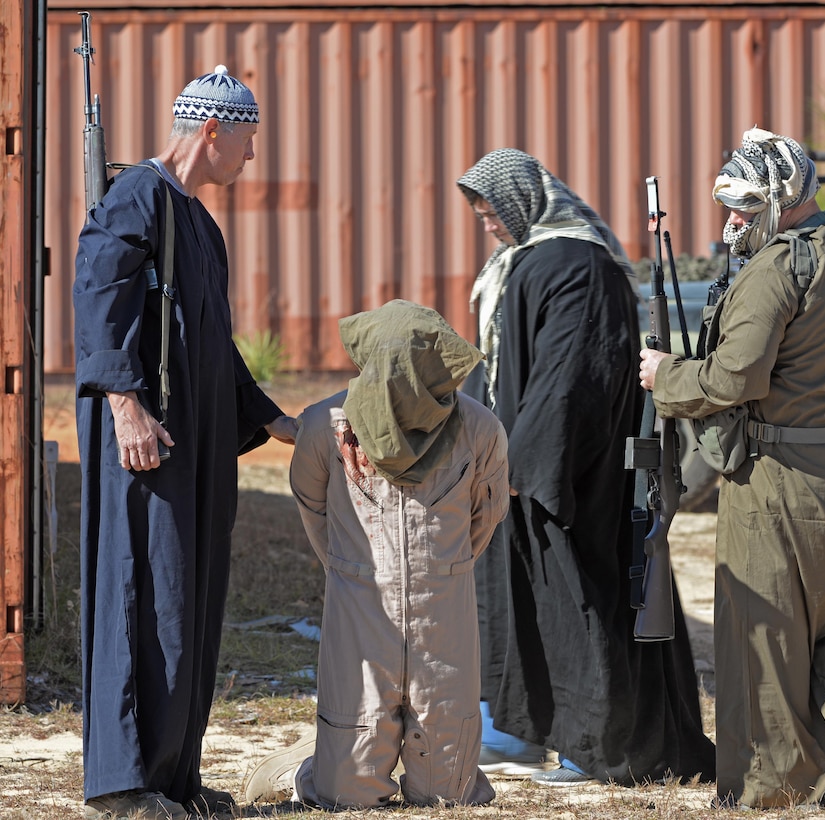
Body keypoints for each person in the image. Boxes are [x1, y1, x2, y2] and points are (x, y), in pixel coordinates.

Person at [638, 127, 825, 808]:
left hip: (774, 481)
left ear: (782, 200)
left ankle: (768, 788)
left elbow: (733, 378)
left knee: (762, 640)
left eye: (742, 204)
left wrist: (663, 374)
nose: (731, 218)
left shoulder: (775, 267)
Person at [74, 66, 298, 820]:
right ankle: (122, 783)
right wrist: (124, 404)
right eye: (249, 139)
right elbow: (98, 297)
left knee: (189, 596)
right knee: (144, 589)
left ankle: (174, 777)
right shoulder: (135, 199)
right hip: (147, 441)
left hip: (194, 446)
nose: (252, 156)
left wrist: (276, 422)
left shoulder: (198, 222)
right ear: (213, 131)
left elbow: (215, 345)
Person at [456, 148, 716, 787]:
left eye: (493, 212)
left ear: (522, 201)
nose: (488, 224)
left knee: (579, 598)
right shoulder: (529, 260)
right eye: (481, 215)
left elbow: (573, 376)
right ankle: (515, 734)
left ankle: (593, 744)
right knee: (513, 596)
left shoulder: (578, 264)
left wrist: (528, 465)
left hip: (575, 473)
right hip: (520, 461)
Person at [243, 300, 510, 808]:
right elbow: (313, 508)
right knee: (347, 795)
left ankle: (347, 755)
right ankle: (310, 766)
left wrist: (441, 570)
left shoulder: (478, 428)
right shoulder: (325, 426)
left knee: (447, 796)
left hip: (444, 613)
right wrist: (356, 571)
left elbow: (485, 515)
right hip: (359, 610)